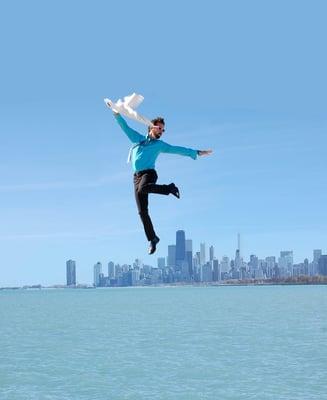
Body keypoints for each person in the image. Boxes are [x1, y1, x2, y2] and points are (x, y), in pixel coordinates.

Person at [109, 108, 212, 254]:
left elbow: (177, 149)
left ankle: (169, 188)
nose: (161, 132)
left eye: (163, 130)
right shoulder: (137, 139)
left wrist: (196, 153)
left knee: (143, 188)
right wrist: (116, 113)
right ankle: (153, 239)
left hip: (149, 174)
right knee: (142, 212)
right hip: (136, 177)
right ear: (151, 127)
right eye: (159, 129)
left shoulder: (159, 145)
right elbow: (125, 128)